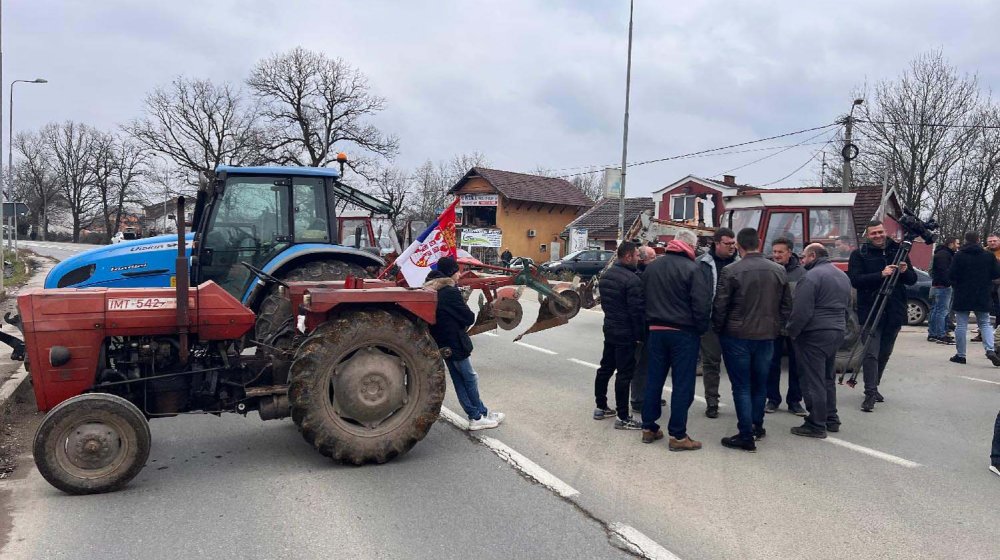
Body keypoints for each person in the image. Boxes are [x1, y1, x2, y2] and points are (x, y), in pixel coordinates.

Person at [713, 228, 792, 452]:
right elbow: (786, 306)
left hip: (737, 336)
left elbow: (721, 305)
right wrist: (779, 329)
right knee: (760, 384)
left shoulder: (731, 270)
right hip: (767, 336)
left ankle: (745, 434)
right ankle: (757, 426)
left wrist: (718, 330)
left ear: (739, 245)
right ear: (759, 243)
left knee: (742, 386)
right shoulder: (778, 270)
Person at [640, 229, 711, 451]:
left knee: (654, 380)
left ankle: (649, 427)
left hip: (656, 331)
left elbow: (642, 299)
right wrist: (701, 330)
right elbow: (701, 305)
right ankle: (678, 436)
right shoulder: (693, 269)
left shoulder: (652, 267)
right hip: (683, 333)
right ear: (691, 246)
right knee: (682, 384)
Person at [424, 256, 504, 430]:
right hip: (455, 342)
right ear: (451, 272)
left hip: (443, 342)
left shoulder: (431, 289)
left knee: (459, 379)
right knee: (469, 377)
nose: (459, 274)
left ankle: (482, 413)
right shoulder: (450, 292)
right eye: (457, 271)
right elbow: (468, 317)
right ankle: (476, 417)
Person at [847, 220, 917, 412]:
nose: (877, 236)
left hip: (894, 310)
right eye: (873, 233)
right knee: (871, 353)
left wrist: (904, 271)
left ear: (885, 232)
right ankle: (870, 393)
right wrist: (880, 274)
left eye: (880, 232)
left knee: (885, 352)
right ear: (867, 236)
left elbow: (912, 280)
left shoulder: (899, 251)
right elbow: (855, 280)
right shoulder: (859, 254)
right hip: (870, 310)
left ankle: (874, 385)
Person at [786, 244, 852, 438]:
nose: (802, 261)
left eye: (804, 257)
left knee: (813, 379)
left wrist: (792, 331)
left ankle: (816, 423)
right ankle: (831, 418)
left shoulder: (810, 277)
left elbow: (801, 311)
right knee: (827, 377)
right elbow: (848, 306)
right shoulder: (842, 276)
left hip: (814, 333)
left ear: (813, 255)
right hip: (836, 330)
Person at [593, 241, 645, 430]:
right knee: (624, 374)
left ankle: (601, 407)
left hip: (610, 328)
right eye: (637, 255)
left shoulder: (607, 276)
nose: (639, 258)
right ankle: (623, 417)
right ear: (628, 256)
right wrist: (640, 335)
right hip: (626, 333)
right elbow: (636, 312)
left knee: (605, 368)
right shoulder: (632, 280)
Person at [696, 227, 738, 418]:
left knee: (736, 364)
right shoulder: (702, 264)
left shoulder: (740, 264)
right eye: (727, 244)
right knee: (711, 363)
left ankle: (741, 402)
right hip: (710, 321)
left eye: (733, 243)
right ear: (716, 243)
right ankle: (712, 401)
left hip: (734, 322)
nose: (731, 247)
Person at [766, 237, 806, 416]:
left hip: (795, 326)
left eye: (780, 252)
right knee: (771, 364)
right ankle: (772, 399)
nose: (776, 255)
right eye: (774, 252)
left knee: (796, 365)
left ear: (790, 252)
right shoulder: (768, 271)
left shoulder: (802, 274)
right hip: (773, 325)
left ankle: (795, 401)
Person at [947, 232, 1000, 366]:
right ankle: (990, 349)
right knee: (985, 323)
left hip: (962, 293)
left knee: (961, 325)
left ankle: (961, 355)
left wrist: (957, 284)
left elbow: (951, 274)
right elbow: (996, 274)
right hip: (982, 293)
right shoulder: (988, 256)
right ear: (978, 240)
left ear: (965, 240)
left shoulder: (959, 255)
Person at [631, 246, 665, 412]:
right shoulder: (638, 277)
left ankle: (650, 395)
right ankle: (638, 400)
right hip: (641, 329)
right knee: (641, 365)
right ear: (643, 260)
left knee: (652, 364)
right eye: (652, 258)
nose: (656, 260)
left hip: (651, 326)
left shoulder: (646, 274)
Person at [928, 237, 959, 344]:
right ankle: (941, 334)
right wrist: (949, 283)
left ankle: (933, 333)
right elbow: (944, 271)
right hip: (943, 286)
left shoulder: (939, 253)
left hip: (936, 285)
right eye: (957, 243)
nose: (958, 245)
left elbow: (933, 270)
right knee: (942, 311)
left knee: (935, 310)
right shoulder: (945, 255)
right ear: (951, 244)